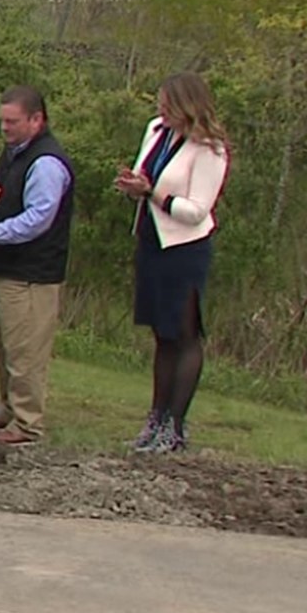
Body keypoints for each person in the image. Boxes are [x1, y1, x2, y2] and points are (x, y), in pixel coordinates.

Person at [115, 72, 230, 454]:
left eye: (167, 103)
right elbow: (148, 175)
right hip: (152, 240)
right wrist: (136, 186)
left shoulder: (208, 149)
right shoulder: (156, 131)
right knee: (161, 333)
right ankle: (155, 417)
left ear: (186, 106)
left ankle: (175, 425)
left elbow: (197, 210)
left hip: (184, 247)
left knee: (183, 334)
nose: (160, 109)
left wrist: (155, 195)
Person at [0, 85, 75, 445]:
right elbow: (12, 197)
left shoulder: (46, 162)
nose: (5, 128)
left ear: (36, 119)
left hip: (32, 274)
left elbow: (38, 218)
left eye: (12, 122)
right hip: (8, 268)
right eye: (2, 122)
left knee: (25, 349)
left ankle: (28, 423)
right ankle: (10, 408)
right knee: (5, 344)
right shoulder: (14, 153)